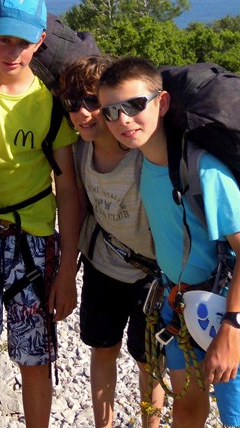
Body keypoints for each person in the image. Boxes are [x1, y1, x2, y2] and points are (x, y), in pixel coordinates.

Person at [96, 57, 240, 428]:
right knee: (187, 407)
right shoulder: (143, 162)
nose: (123, 121)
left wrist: (232, 328)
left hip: (225, 309)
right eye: (111, 111)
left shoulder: (202, 168)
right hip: (178, 307)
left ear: (161, 104)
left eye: (134, 106)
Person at [0, 0, 82, 428]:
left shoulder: (50, 106)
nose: (12, 51)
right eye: (4, 39)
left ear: (40, 42)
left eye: (24, 42)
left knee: (35, 356)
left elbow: (67, 189)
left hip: (34, 243)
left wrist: (68, 270)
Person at [59, 56, 164, 428]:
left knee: (147, 359)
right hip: (103, 265)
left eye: (92, 102)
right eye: (73, 105)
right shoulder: (78, 151)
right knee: (102, 349)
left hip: (152, 276)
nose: (83, 113)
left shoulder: (142, 151)